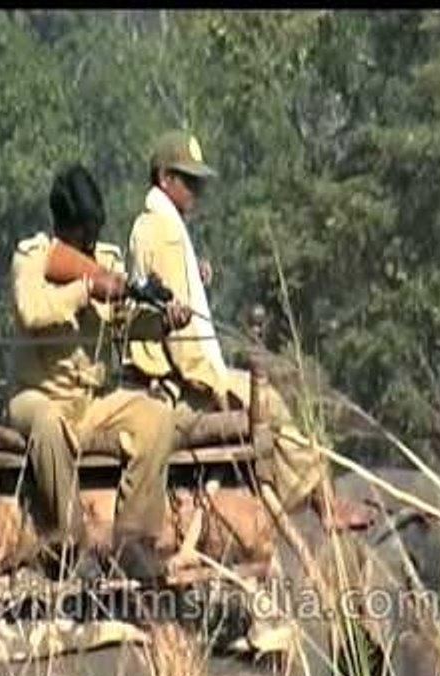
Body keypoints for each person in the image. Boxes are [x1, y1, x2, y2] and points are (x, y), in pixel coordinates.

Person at [124, 129, 333, 518]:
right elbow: (183, 339)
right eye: (188, 181)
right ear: (164, 179)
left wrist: (193, 273)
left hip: (173, 381)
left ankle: (309, 497)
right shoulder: (164, 232)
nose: (195, 191)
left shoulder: (155, 226)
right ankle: (319, 502)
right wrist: (216, 386)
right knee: (267, 401)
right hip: (182, 388)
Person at [6, 163, 179, 583]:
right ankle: (73, 542)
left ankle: (132, 540)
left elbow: (125, 323)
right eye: (84, 230)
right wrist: (85, 289)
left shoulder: (107, 260)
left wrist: (164, 321)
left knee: (156, 417)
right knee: (46, 424)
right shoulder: (33, 257)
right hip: (40, 395)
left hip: (93, 402)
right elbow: (32, 310)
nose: (91, 238)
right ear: (65, 226)